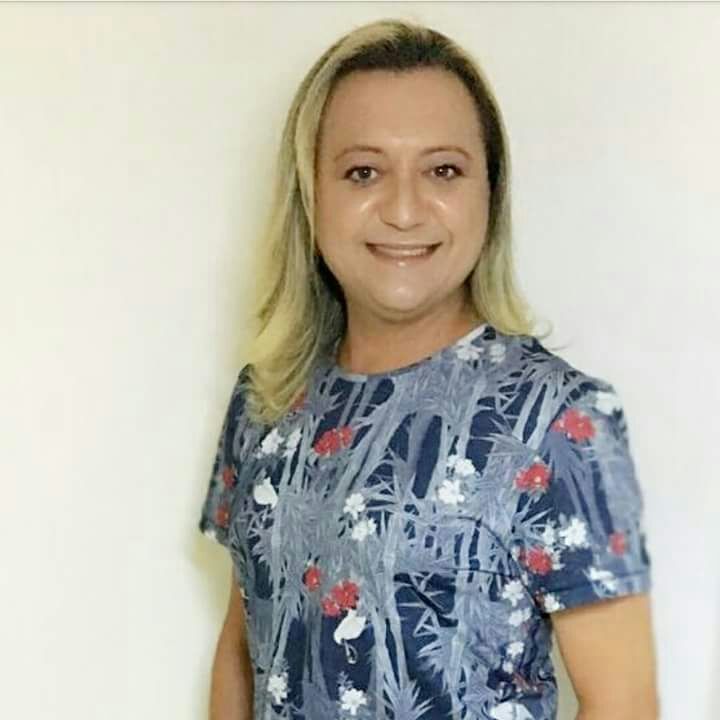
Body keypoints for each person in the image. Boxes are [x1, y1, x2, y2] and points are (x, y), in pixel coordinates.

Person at [198, 18, 659, 720]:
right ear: (311, 194)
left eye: (443, 170)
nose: (405, 209)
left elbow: (623, 701)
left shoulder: (560, 421)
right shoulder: (265, 398)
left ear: (490, 192)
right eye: (363, 171)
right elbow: (242, 648)